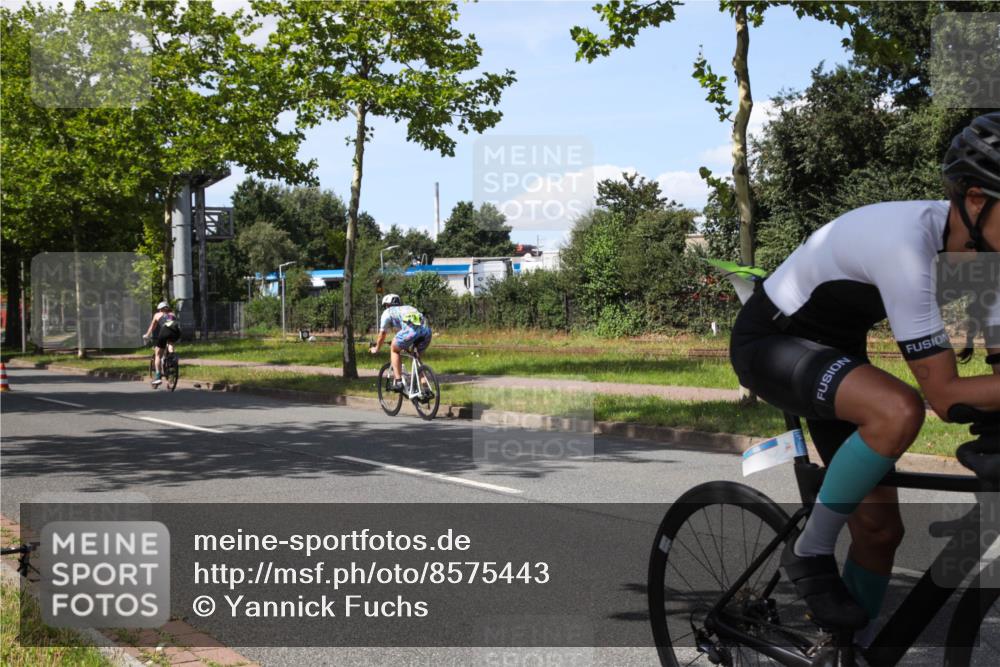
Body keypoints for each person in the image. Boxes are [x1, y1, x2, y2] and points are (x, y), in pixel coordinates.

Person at [729, 112, 1000, 636]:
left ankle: (843, 651)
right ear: (974, 199)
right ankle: (809, 551)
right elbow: (944, 394)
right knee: (898, 409)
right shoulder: (906, 246)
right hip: (771, 342)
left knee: (879, 531)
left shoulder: (990, 259)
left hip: (836, 352)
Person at [369, 294, 432, 393]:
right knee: (415, 357)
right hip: (426, 331)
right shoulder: (408, 308)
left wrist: (377, 348)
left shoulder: (387, 312)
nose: (385, 308)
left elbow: (382, 334)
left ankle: (398, 382)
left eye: (385, 306)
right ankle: (425, 386)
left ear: (387, 305)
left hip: (411, 331)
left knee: (394, 349)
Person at [144, 301, 182, 386]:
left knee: (158, 354)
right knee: (170, 343)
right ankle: (172, 357)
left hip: (165, 331)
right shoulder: (172, 314)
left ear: (160, 309)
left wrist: (147, 335)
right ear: (167, 308)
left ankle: (158, 376)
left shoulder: (157, 315)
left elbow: (152, 327)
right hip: (176, 332)